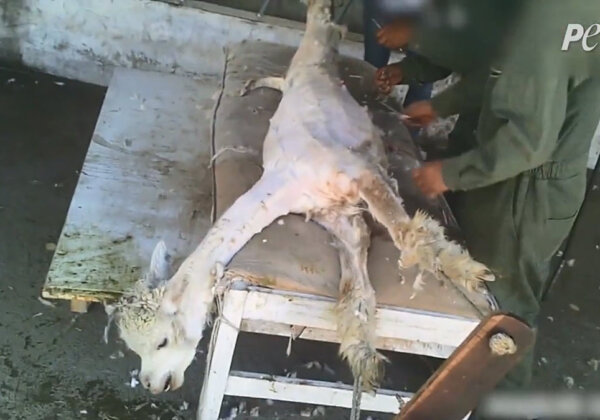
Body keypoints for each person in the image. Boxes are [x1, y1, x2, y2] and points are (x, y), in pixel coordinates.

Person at [403, 2, 600, 417]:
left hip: (524, 190)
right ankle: (456, 368)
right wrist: (443, 103)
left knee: (505, 312)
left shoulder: (551, 14)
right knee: (480, 288)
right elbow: (509, 71)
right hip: (539, 181)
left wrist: (452, 173)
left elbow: (528, 142)